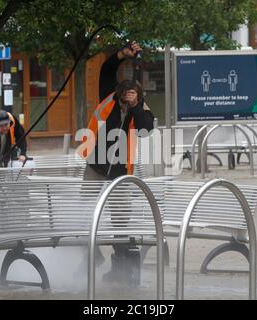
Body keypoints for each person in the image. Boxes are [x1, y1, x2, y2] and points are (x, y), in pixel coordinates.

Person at [80, 42, 154, 283]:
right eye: (123, 97)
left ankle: (120, 262)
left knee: (120, 217)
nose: (124, 101)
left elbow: (145, 129)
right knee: (84, 212)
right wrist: (123, 55)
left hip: (121, 173)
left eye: (129, 97)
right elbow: (107, 68)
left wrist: (135, 107)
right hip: (96, 166)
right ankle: (92, 255)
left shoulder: (140, 108)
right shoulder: (108, 98)